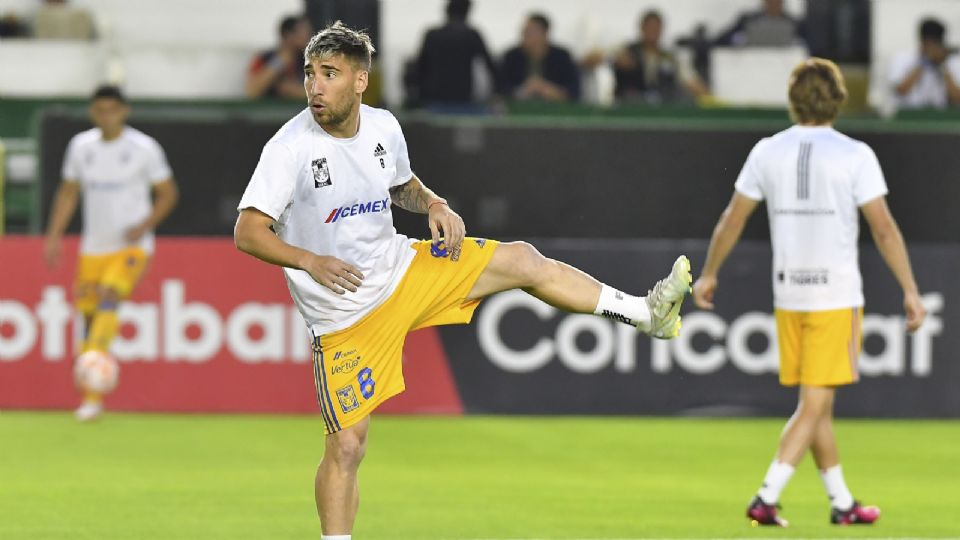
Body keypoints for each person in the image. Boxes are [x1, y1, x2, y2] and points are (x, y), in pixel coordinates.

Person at [234, 21, 691, 538]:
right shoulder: (289, 148)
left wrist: (433, 202)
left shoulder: (383, 126)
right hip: (345, 313)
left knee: (522, 260)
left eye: (330, 74)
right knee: (346, 446)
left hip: (404, 270)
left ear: (361, 81)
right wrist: (309, 261)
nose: (315, 86)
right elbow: (248, 232)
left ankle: (645, 315)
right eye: (311, 73)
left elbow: (401, 184)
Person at [692, 58, 926, 527]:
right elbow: (882, 228)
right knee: (814, 403)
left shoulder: (767, 151)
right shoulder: (854, 154)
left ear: (793, 99)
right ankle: (766, 496)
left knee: (817, 404)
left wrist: (710, 272)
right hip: (835, 294)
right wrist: (910, 290)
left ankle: (842, 503)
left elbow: (732, 219)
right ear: (838, 98)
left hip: (789, 294)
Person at [44, 85, 179, 421]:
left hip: (131, 247)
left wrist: (144, 224)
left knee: (109, 296)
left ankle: (91, 361)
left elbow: (167, 193)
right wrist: (53, 235)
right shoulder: (81, 147)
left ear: (123, 111)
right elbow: (68, 193)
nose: (106, 116)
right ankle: (92, 398)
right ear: (93, 112)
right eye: (100, 110)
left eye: (112, 110)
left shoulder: (143, 149)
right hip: (94, 247)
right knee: (88, 318)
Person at [613, 9, 710, 104]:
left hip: (663, 107)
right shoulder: (627, 51)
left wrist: (707, 96)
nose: (652, 31)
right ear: (642, 28)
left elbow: (690, 79)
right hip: (630, 106)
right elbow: (608, 56)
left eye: (656, 28)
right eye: (649, 27)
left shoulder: (670, 57)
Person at [414, 0, 497, 109]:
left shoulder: (432, 35)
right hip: (463, 99)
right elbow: (490, 66)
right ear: (467, 12)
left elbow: (419, 68)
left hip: (434, 98)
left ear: (447, 11)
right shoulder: (472, 35)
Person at [499, 13, 580, 102]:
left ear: (544, 33)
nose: (525, 36)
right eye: (524, 32)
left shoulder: (562, 57)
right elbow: (500, 88)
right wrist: (524, 90)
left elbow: (575, 90)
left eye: (530, 32)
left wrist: (550, 90)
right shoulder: (512, 57)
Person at [888, 18, 960, 110]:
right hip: (907, 113)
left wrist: (942, 66)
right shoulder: (902, 58)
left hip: (938, 115)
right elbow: (900, 90)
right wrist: (924, 62)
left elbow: (957, 98)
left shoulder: (951, 62)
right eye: (928, 43)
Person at [246, 15, 313, 100]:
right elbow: (251, 91)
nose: (309, 37)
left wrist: (295, 91)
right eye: (304, 32)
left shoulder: (311, 61)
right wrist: (279, 62)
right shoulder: (265, 58)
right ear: (288, 35)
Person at [714, 0, 806, 48]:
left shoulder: (795, 24)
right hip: (752, 65)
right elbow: (722, 40)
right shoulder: (747, 20)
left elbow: (809, 43)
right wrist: (738, 43)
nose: (773, 3)